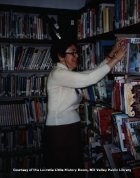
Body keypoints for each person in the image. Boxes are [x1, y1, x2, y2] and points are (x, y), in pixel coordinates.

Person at [43, 37, 126, 177]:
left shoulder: (66, 73)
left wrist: (111, 55)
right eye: (73, 53)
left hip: (69, 128)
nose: (77, 56)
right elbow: (89, 79)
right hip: (60, 131)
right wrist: (116, 60)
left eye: (77, 52)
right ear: (60, 55)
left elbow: (90, 73)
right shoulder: (58, 74)